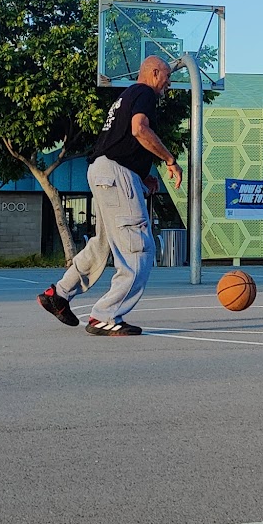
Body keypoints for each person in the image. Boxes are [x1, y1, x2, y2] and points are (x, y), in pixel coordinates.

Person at [37, 56, 183, 337]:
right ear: (154, 73)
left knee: (103, 244)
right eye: (167, 77)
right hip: (115, 173)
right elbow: (139, 129)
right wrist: (169, 160)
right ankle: (104, 316)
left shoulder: (125, 97)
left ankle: (59, 294)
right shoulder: (144, 93)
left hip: (103, 170)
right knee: (138, 249)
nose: (169, 83)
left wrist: (140, 176)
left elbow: (120, 141)